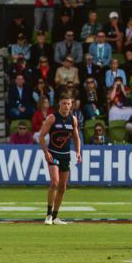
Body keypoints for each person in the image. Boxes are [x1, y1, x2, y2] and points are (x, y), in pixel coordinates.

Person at [37, 92, 82, 226]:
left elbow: (76, 137)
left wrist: (78, 152)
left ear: (71, 105)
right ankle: (48, 214)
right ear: (59, 104)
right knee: (54, 182)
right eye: (64, 103)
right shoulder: (52, 118)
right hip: (53, 153)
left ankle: (55, 216)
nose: (66, 106)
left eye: (68, 104)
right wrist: (45, 152)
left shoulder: (73, 119)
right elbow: (41, 136)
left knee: (62, 187)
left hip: (66, 155)